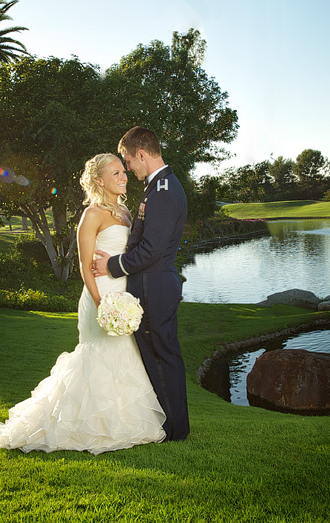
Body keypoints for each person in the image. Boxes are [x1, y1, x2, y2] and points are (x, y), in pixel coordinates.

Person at [0, 153, 166, 454]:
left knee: (125, 357)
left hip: (125, 295)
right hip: (102, 296)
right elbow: (86, 267)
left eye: (124, 171)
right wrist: (102, 305)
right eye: (115, 173)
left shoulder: (125, 211)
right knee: (98, 357)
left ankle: (124, 423)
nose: (123, 177)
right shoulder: (92, 214)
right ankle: (83, 427)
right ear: (99, 180)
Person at [91, 126, 190, 441]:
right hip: (155, 285)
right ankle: (170, 425)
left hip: (153, 287)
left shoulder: (162, 190)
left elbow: (151, 250)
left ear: (141, 154)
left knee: (162, 359)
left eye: (128, 161)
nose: (128, 168)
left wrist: (111, 264)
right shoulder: (159, 186)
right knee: (161, 356)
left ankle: (173, 429)